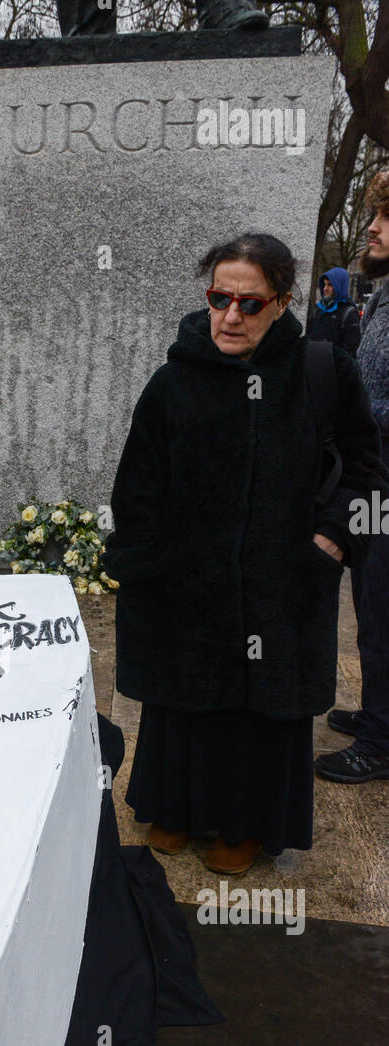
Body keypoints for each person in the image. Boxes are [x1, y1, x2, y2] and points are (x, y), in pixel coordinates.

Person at [104, 232, 388, 874]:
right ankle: (173, 807)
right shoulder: (175, 379)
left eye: (250, 303)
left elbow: (367, 472)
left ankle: (247, 824)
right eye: (219, 299)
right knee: (183, 697)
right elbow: (138, 483)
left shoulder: (322, 371)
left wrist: (330, 540)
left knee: (261, 704)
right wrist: (145, 564)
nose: (231, 316)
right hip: (186, 583)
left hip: (284, 582)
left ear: (283, 302)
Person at [317, 173, 389, 782]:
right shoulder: (385, 293)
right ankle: (375, 711)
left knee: (383, 605)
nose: (372, 225)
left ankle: (382, 740)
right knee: (370, 602)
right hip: (377, 473)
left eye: (387, 215)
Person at [308, 267, 361, 355]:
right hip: (314, 363)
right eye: (324, 284)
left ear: (339, 286)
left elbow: (350, 349)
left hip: (333, 366)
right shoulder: (320, 308)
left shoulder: (348, 313)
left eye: (330, 285)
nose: (325, 288)